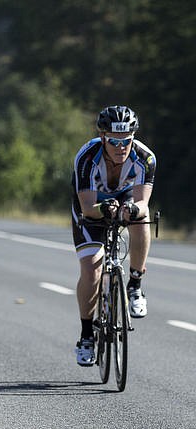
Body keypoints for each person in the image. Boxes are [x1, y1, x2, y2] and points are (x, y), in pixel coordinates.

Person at [72, 105, 156, 366]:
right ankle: (86, 335)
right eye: (114, 141)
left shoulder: (145, 158)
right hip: (92, 204)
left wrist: (131, 209)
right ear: (103, 137)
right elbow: (87, 207)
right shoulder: (86, 157)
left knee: (141, 218)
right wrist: (104, 209)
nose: (121, 147)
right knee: (91, 270)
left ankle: (135, 284)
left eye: (127, 141)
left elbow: (143, 202)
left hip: (126, 198)